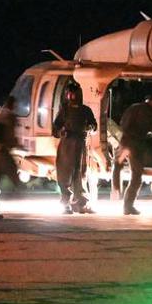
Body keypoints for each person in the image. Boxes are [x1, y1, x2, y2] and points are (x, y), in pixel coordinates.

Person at [113, 93, 152, 215]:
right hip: (135, 145)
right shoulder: (148, 112)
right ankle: (128, 206)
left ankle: (115, 189)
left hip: (124, 141)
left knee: (117, 165)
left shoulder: (132, 107)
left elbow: (122, 122)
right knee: (136, 175)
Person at [52, 82, 97, 214]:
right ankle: (65, 202)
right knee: (64, 173)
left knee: (80, 173)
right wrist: (61, 132)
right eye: (69, 93)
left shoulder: (85, 110)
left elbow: (94, 125)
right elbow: (55, 128)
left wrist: (91, 127)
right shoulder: (64, 110)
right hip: (66, 145)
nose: (71, 96)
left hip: (80, 145)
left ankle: (80, 203)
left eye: (73, 93)